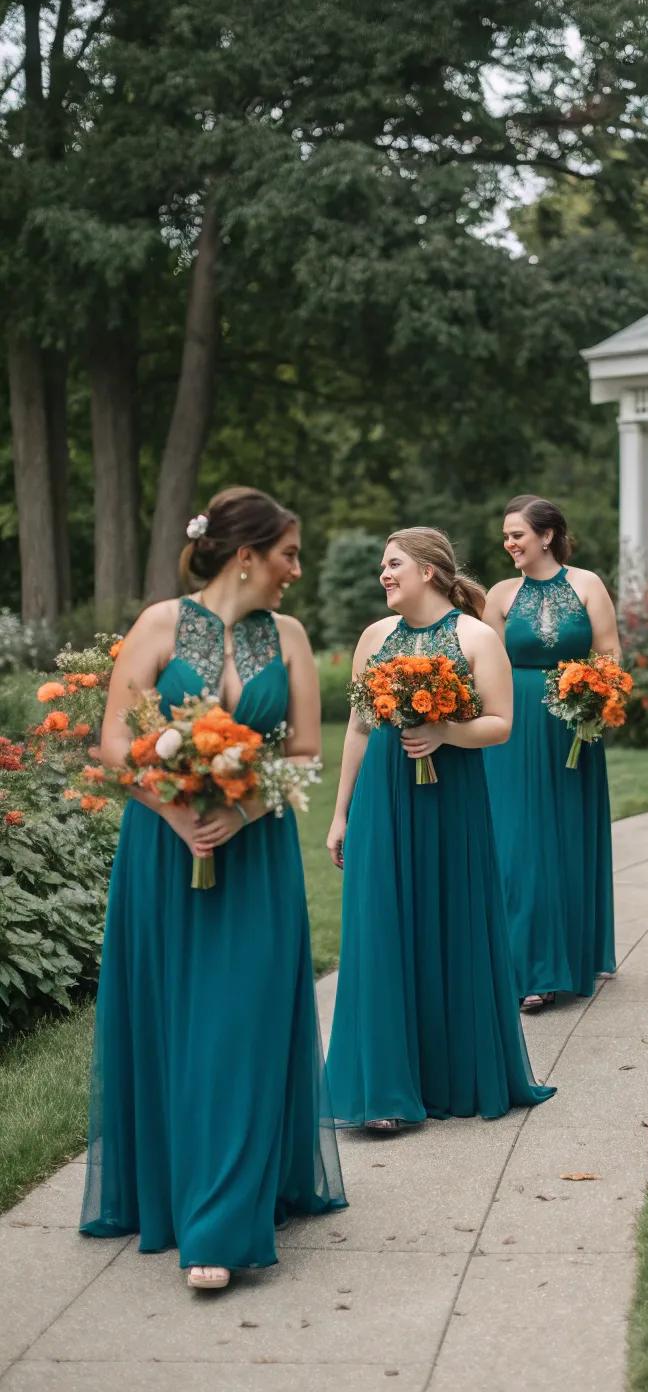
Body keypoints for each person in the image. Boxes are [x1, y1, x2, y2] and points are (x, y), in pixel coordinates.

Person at [80, 486, 346, 1289]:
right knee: (178, 1021)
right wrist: (176, 809)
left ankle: (221, 1226)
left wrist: (242, 810)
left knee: (245, 1023)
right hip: (165, 852)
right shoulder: (160, 625)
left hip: (255, 854)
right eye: (288, 555)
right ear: (245, 555)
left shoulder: (290, 637)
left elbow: (303, 750)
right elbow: (115, 743)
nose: (294, 571)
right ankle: (177, 1187)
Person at [324, 526, 554, 1128]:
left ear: (429, 570)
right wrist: (341, 812)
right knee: (382, 927)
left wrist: (444, 732)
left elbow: (501, 723)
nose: (384, 575)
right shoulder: (374, 638)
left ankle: (451, 1076)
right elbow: (356, 729)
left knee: (446, 923)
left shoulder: (477, 636)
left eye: (393, 563)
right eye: (383, 565)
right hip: (383, 795)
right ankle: (385, 1093)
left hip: (451, 802)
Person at [483, 495, 618, 1009]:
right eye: (506, 535)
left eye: (517, 533)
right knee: (517, 845)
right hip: (512, 731)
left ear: (547, 534)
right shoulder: (499, 595)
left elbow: (608, 654)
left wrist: (594, 700)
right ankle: (526, 966)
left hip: (570, 728)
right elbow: (485, 664)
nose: (509, 543)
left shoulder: (587, 585)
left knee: (562, 839)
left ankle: (569, 954)